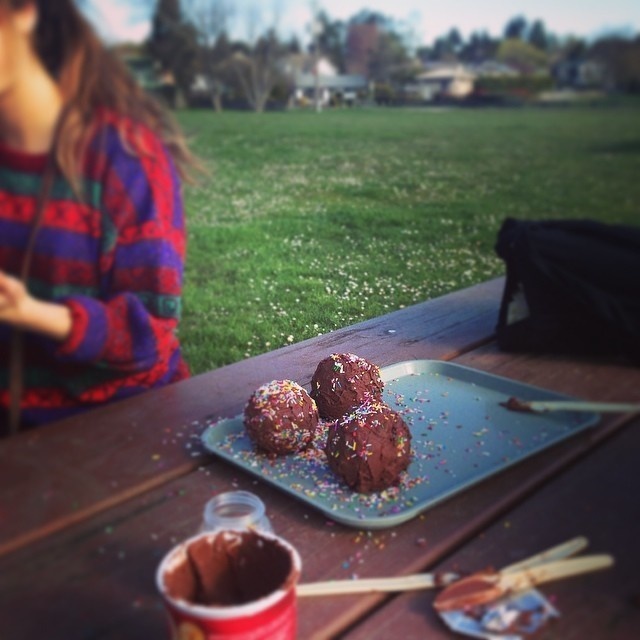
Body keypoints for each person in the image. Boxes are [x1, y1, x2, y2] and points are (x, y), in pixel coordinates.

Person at [0, 0, 200, 435]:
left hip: (122, 429)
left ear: (23, 11)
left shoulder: (127, 162)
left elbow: (150, 332)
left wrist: (30, 311)